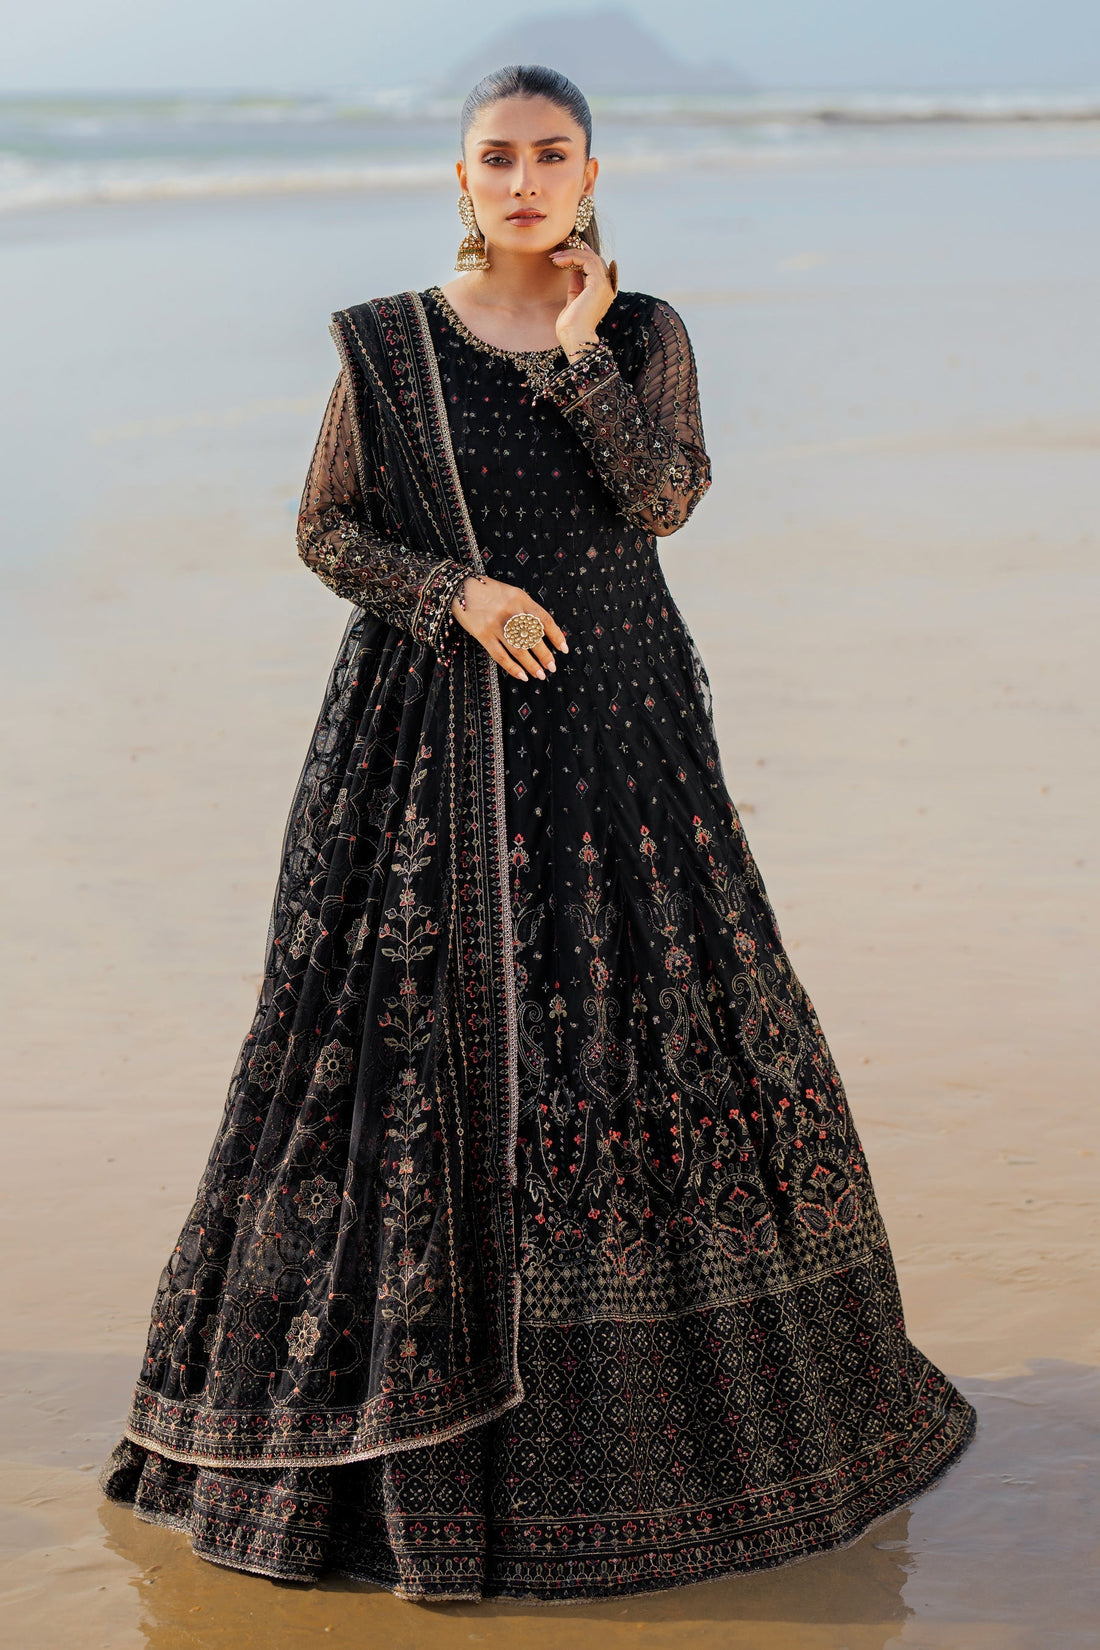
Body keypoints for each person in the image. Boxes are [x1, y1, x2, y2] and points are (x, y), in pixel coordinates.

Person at [100, 63, 977, 1603]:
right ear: (462, 177)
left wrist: (579, 358)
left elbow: (666, 500)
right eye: (496, 157)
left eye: (550, 155)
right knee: (412, 1049)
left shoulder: (644, 334)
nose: (522, 180)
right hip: (430, 742)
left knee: (656, 1029)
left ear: (589, 174)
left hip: (624, 729)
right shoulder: (389, 346)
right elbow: (325, 529)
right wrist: (458, 592)